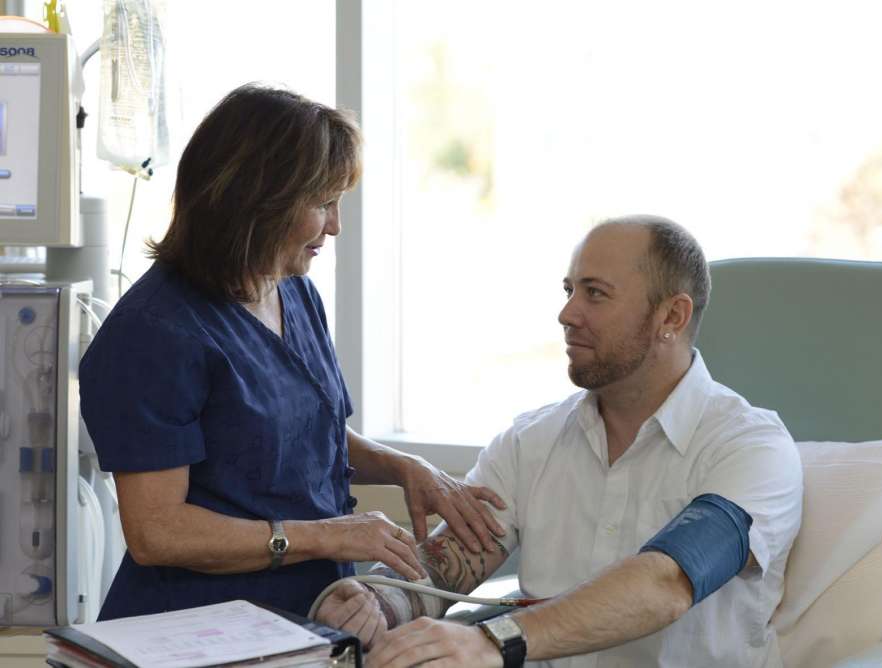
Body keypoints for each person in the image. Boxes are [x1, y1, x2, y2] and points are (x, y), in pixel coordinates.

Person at [78, 84, 506, 641]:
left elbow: (296, 431)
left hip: (306, 619)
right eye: (323, 204)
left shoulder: (290, 292)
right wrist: (331, 536)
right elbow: (158, 532)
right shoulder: (154, 334)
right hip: (193, 630)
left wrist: (404, 467)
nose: (336, 226)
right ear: (257, 201)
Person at [316, 216, 803, 667]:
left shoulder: (750, 448)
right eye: (570, 290)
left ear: (671, 317)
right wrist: (379, 602)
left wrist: (492, 639)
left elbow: (667, 581)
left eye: (595, 294)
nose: (567, 314)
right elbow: (448, 566)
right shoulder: (532, 441)